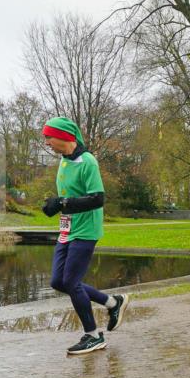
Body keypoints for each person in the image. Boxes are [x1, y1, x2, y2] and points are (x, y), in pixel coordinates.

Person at [41, 117, 129, 355]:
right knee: (58, 282)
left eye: (49, 137)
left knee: (71, 282)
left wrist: (63, 202)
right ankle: (113, 303)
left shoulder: (87, 161)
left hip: (87, 229)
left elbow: (97, 198)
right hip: (68, 229)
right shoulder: (63, 161)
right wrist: (56, 205)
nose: (46, 142)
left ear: (64, 136)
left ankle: (93, 335)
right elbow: (69, 195)